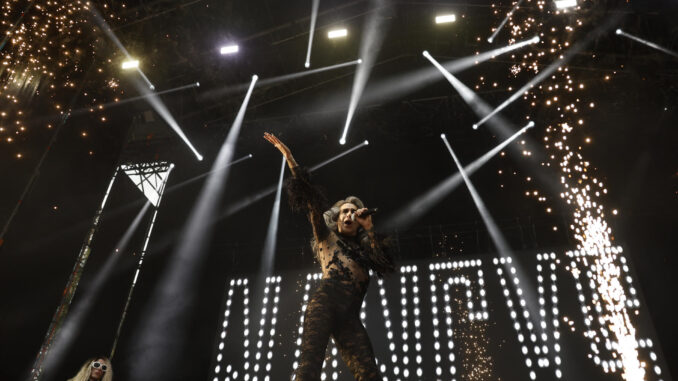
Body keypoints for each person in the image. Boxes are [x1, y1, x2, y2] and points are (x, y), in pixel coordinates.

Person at [264, 132, 395, 381]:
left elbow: (386, 263)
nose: (348, 216)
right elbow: (312, 201)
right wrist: (291, 159)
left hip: (350, 315)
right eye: (344, 212)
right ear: (337, 217)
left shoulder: (366, 251)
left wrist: (369, 229)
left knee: (369, 374)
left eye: (353, 213)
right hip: (325, 302)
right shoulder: (326, 236)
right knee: (309, 366)